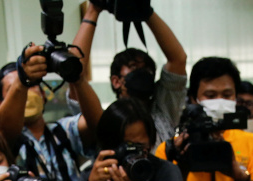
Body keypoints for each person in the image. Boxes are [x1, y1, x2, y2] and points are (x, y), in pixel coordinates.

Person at [0, 45, 103, 181]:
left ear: (43, 95)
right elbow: (1, 133)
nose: (27, 93)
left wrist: (77, 78)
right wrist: (22, 81)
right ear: (0, 105)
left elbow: (98, 124)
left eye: (32, 86)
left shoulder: (62, 131)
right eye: (13, 89)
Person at [72, 3, 188, 148]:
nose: (143, 73)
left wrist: (147, 13)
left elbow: (178, 60)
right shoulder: (108, 121)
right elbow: (75, 73)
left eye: (147, 69)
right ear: (116, 81)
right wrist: (93, 11)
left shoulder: (163, 112)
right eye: (134, 68)